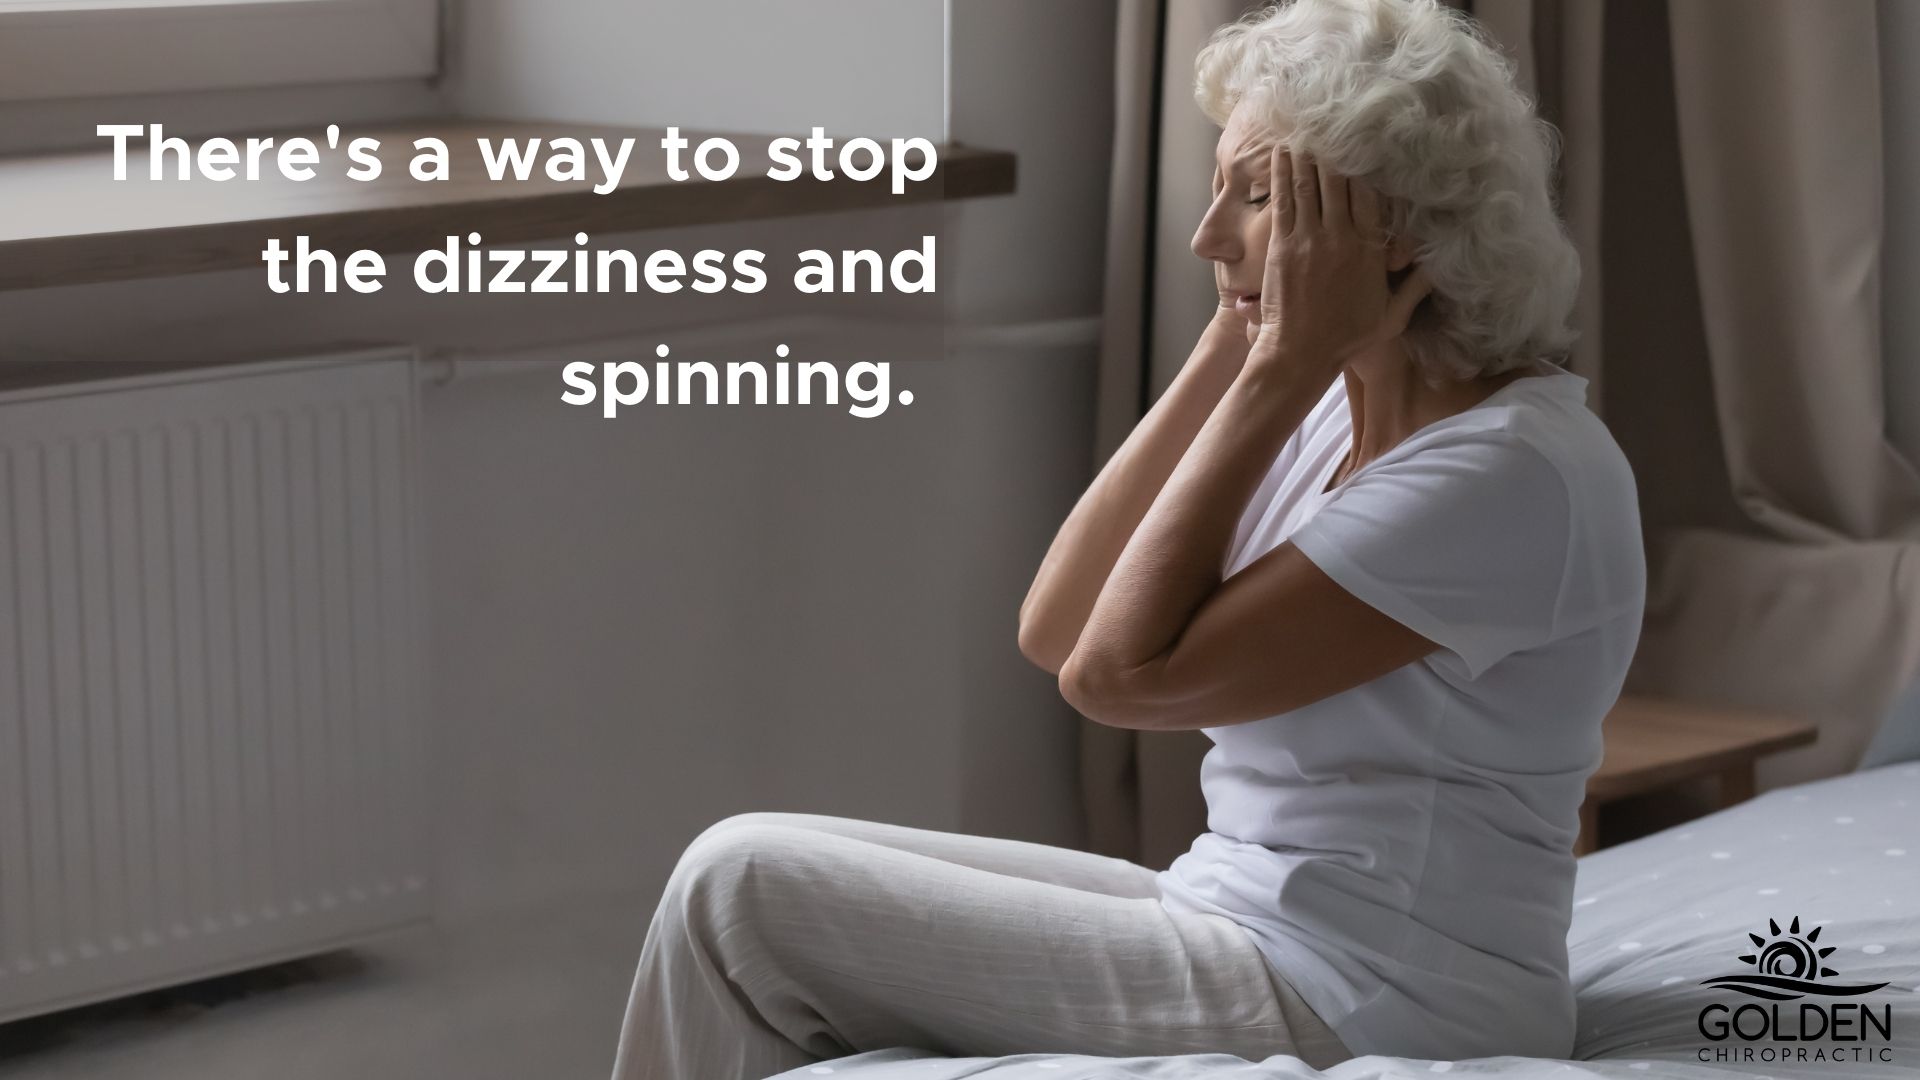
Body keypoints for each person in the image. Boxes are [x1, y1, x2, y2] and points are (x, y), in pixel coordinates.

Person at [608, 1, 1645, 1075]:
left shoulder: (1513, 473)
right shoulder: (1343, 408)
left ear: (1387, 228)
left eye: (1257, 199)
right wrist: (1241, 347)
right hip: (1252, 916)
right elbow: (1056, 628)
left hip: (1377, 991)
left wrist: (1282, 362)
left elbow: (1116, 680)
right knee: (746, 873)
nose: (1206, 238)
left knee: (740, 889)